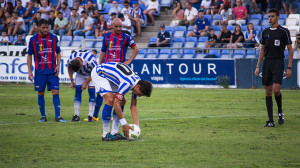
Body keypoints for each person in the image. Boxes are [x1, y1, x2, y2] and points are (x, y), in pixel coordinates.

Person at [92, 18, 139, 123]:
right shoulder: (106, 36)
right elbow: (103, 51)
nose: (119, 28)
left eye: (120, 26)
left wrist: (129, 61)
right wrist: (100, 64)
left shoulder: (126, 37)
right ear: (111, 25)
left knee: (117, 98)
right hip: (107, 72)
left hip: (119, 74)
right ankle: (94, 115)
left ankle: (114, 118)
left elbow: (136, 49)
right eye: (116, 26)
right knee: (102, 96)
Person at [91, 62, 153, 141]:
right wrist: (124, 124)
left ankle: (114, 132)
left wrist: (137, 126)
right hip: (99, 73)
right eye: (140, 94)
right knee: (110, 99)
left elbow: (133, 106)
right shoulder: (128, 83)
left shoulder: (137, 83)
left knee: (122, 101)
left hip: (111, 77)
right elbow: (116, 103)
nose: (139, 96)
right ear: (138, 87)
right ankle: (105, 134)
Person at [254, 9, 293, 127]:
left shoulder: (283, 31)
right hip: (267, 62)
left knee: (276, 89)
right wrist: (257, 66)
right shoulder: (265, 32)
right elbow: (262, 50)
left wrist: (289, 67)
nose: (270, 18)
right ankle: (270, 121)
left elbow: (290, 51)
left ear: (277, 17)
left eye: (272, 16)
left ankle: (280, 112)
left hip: (278, 62)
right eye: (269, 16)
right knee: (268, 91)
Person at [27, 19, 67, 122]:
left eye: (47, 27)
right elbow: (29, 55)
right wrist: (29, 71)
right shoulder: (33, 40)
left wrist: (58, 65)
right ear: (39, 27)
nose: (45, 29)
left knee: (56, 92)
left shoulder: (53, 38)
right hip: (40, 71)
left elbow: (58, 52)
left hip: (52, 71)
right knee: (40, 93)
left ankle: (57, 117)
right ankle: (43, 116)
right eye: (43, 27)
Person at [67, 50, 98, 122]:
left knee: (91, 92)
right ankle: (76, 115)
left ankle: (90, 115)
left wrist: (86, 82)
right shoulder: (71, 58)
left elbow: (95, 72)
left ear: (81, 64)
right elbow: (69, 68)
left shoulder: (90, 60)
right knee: (77, 91)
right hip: (80, 75)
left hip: (91, 74)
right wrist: (72, 81)